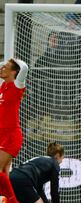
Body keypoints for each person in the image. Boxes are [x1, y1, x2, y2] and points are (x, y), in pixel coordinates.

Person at [0, 58, 29, 203]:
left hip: (11, 135)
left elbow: (24, 68)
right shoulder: (3, 86)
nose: (1, 69)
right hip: (1, 134)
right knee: (4, 174)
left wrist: (14, 60)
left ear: (13, 72)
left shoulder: (17, 85)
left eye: (5, 67)